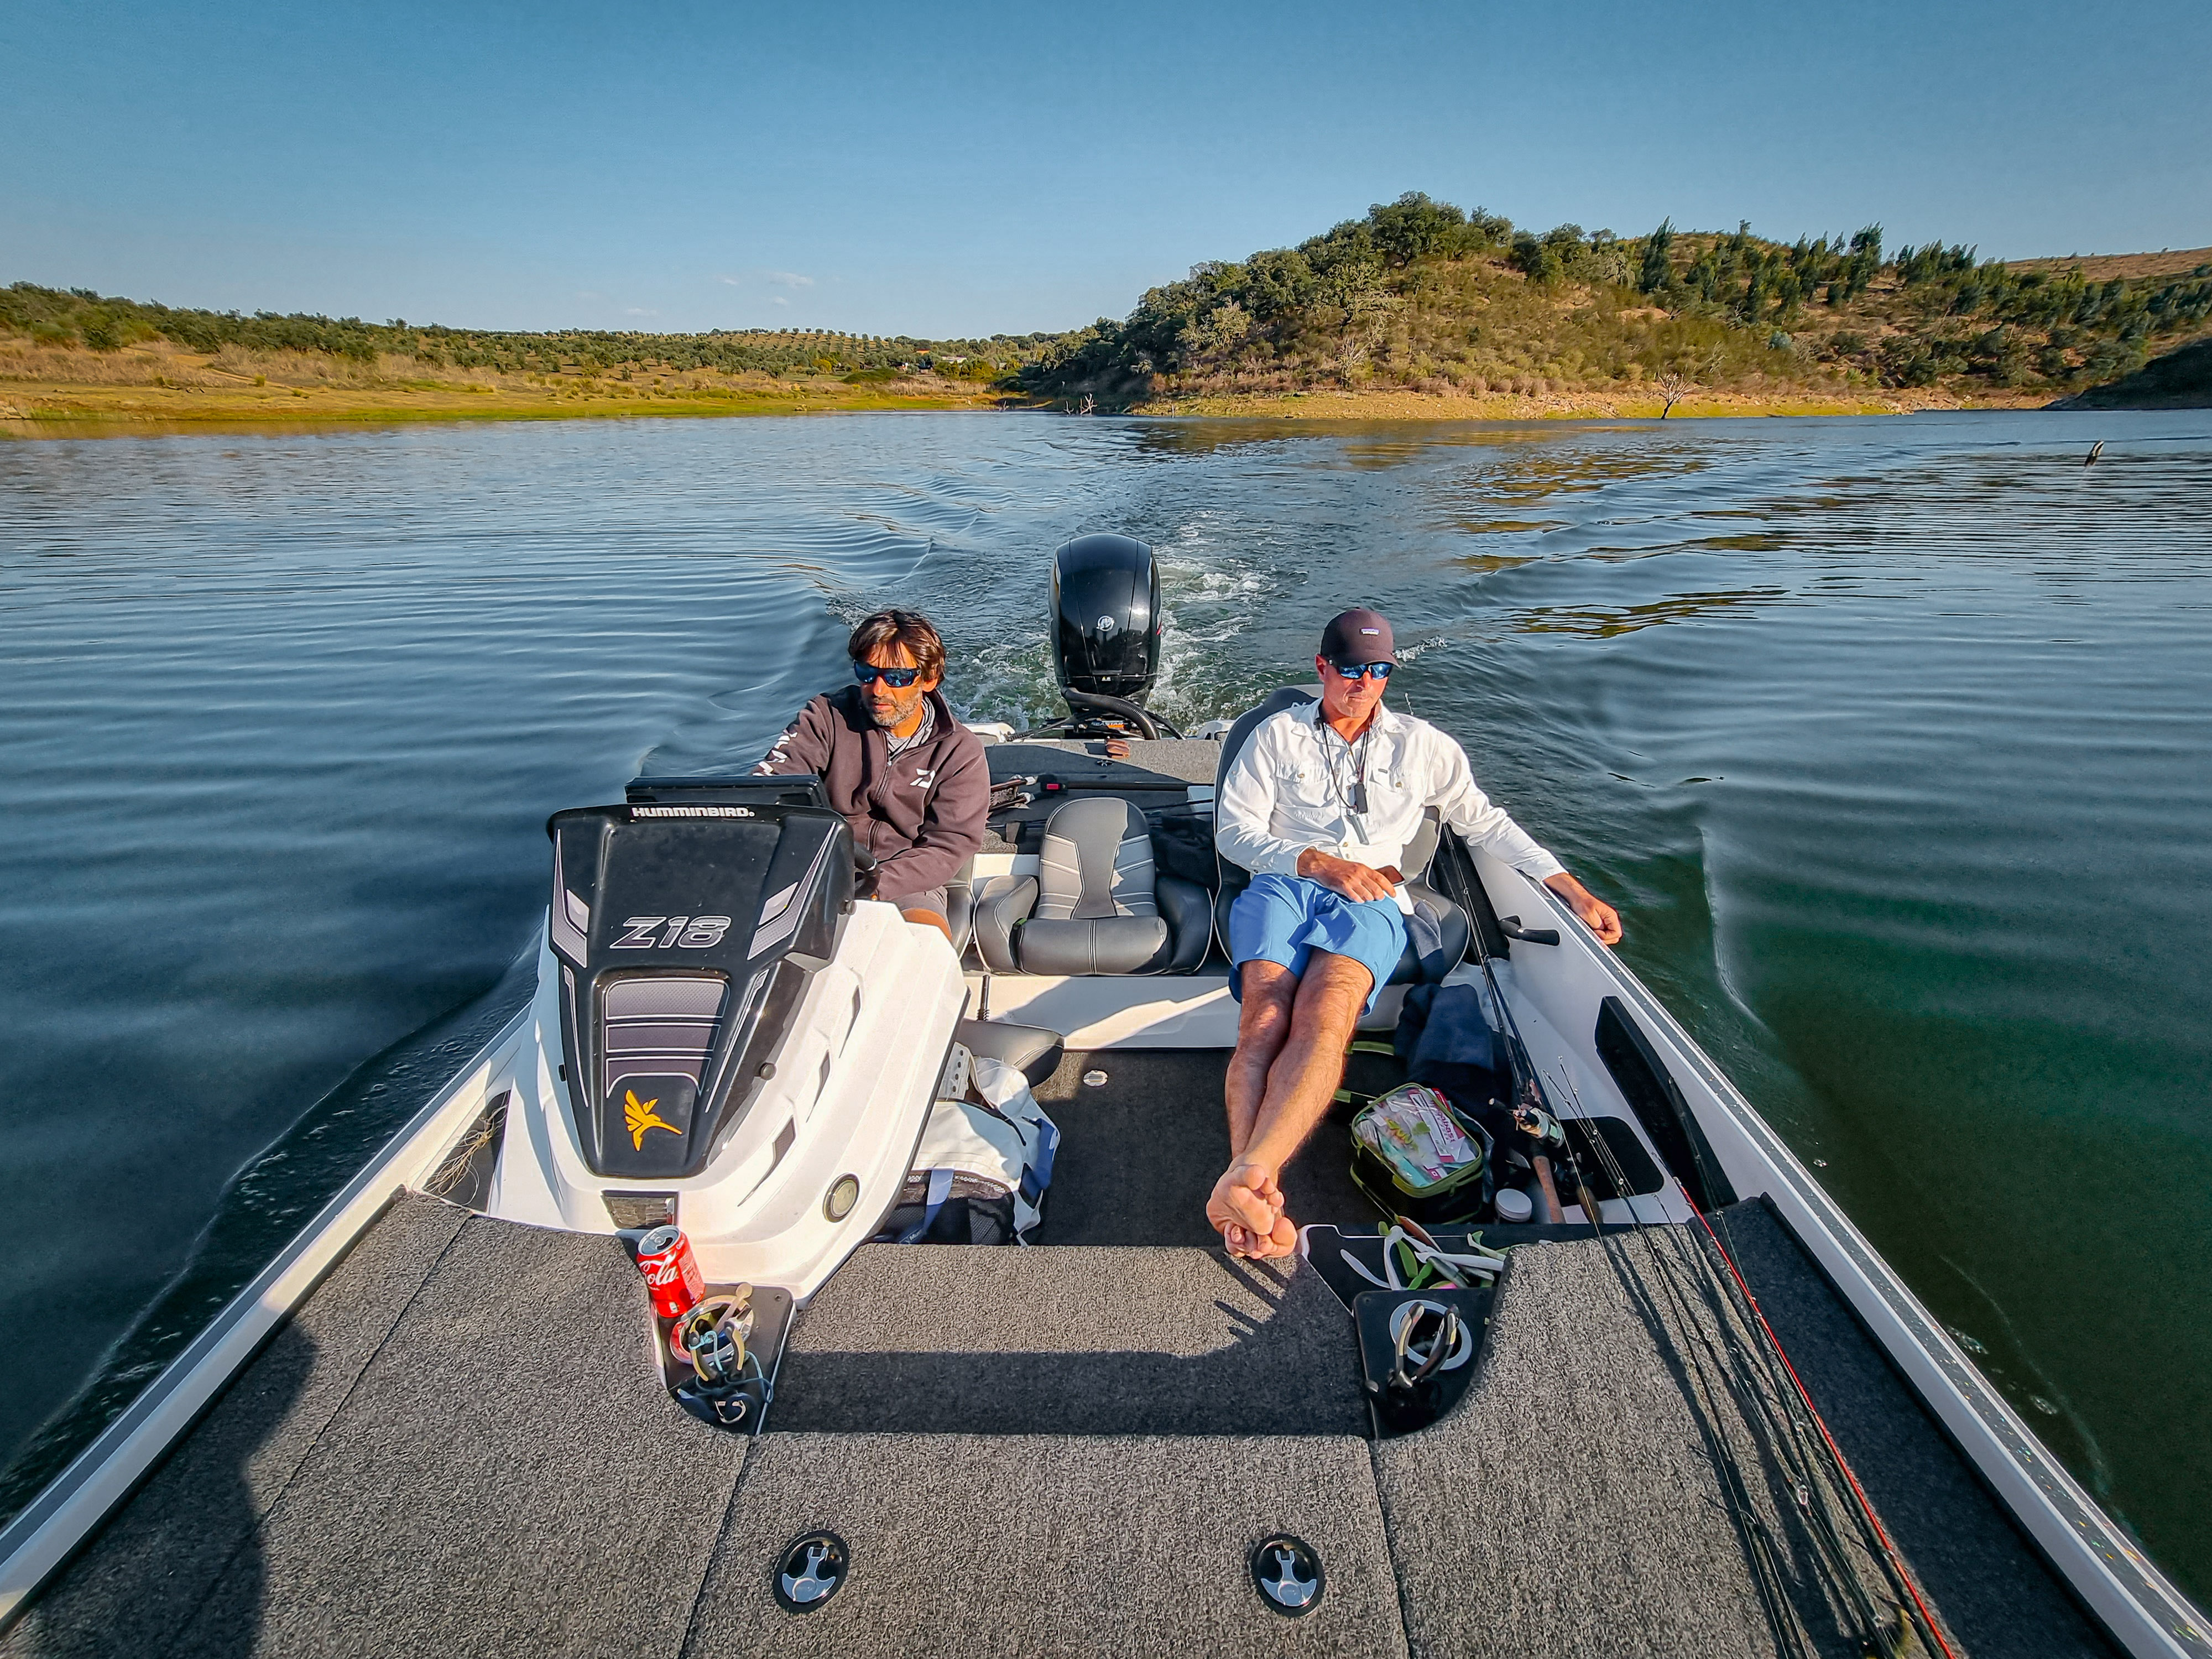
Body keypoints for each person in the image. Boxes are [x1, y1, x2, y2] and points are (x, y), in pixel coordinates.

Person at [1207, 608, 1622, 1257]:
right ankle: (1250, 1178)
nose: (1363, 683)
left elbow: (1485, 823)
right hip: (1285, 882)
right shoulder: (1274, 737)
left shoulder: (1424, 745)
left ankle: (1248, 1182)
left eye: (1378, 671)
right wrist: (1315, 860)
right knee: (1263, 1018)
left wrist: (1567, 886)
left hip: (1374, 893)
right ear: (1322, 668)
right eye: (1349, 669)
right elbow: (1233, 834)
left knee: (1326, 1015)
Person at [756, 609, 988, 940]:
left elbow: (948, 847)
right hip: (819, 867)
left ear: (929, 679)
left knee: (925, 951)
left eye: (896, 678)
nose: (878, 689)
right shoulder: (824, 718)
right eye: (867, 673)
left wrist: (875, 886)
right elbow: (771, 790)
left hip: (908, 880)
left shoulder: (960, 752)